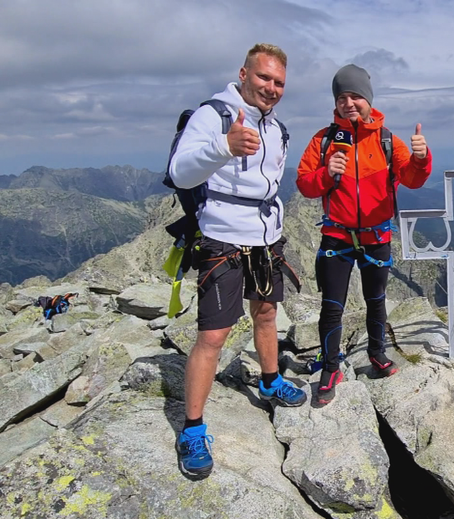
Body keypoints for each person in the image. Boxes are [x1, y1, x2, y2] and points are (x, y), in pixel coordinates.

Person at [168, 43, 306, 479]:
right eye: (264, 77)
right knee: (213, 335)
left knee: (266, 314)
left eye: (279, 82)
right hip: (222, 239)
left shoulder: (277, 128)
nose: (271, 87)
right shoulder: (213, 115)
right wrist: (223, 147)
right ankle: (192, 429)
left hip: (266, 238)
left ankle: (270, 380)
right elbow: (180, 172)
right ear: (244, 74)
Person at [296, 64, 432, 404]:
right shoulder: (324, 140)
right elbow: (304, 184)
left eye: (355, 96)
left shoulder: (387, 141)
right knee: (332, 305)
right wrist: (326, 174)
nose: (348, 103)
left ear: (368, 99)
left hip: (376, 236)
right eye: (342, 98)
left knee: (375, 301)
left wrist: (421, 158)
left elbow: (413, 179)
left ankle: (377, 353)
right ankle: (331, 368)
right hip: (337, 236)